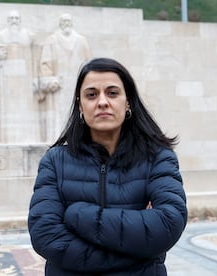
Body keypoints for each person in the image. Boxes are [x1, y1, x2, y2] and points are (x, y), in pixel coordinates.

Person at [28, 57, 187, 275]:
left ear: (128, 101)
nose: (102, 101)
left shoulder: (157, 157)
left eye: (112, 93)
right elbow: (46, 235)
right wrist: (140, 253)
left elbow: (168, 224)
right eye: (91, 95)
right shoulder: (55, 161)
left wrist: (76, 214)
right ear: (80, 106)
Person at [38, 13, 92, 142]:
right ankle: (58, 139)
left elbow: (89, 62)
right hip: (59, 84)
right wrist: (50, 79)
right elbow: (45, 63)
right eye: (64, 21)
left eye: (68, 21)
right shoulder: (51, 40)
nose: (66, 23)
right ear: (60, 23)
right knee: (58, 115)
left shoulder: (81, 40)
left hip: (78, 84)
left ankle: (80, 139)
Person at [0, 10, 39, 143]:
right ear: (8, 20)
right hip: (5, 78)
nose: (14, 21)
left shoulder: (29, 36)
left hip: (25, 78)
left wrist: (35, 78)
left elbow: (35, 59)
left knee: (26, 109)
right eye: (11, 18)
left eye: (16, 18)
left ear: (20, 20)